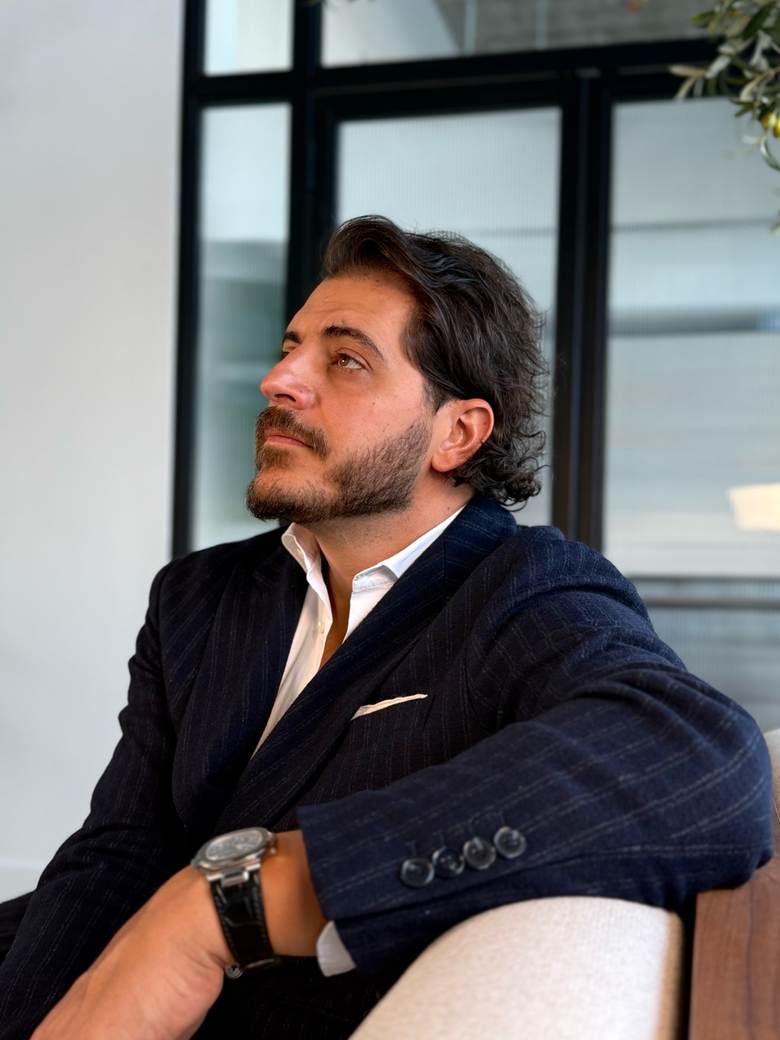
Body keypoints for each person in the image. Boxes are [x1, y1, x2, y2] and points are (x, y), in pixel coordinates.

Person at [0, 216, 772, 1039]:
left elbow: (696, 761)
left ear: (457, 434)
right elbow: (117, 854)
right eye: (291, 347)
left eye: (346, 360)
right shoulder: (200, 595)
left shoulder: (524, 591)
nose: (279, 380)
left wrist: (234, 901)